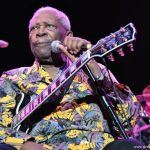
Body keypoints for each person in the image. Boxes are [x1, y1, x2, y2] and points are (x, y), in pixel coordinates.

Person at [0, 6, 141, 150]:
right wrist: (25, 144)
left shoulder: (94, 70)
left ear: (68, 36)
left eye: (49, 26)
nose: (40, 32)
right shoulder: (13, 78)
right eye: (33, 28)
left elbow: (130, 122)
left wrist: (92, 64)